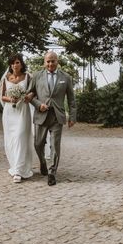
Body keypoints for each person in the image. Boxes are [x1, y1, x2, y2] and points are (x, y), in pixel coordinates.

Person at [28, 51, 77, 186]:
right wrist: (38, 105)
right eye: (48, 61)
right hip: (41, 115)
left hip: (57, 116)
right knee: (38, 144)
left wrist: (72, 116)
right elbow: (29, 95)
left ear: (57, 61)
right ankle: (43, 162)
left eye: (53, 61)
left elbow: (72, 99)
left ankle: (52, 173)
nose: (50, 64)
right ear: (44, 62)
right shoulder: (37, 76)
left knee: (55, 145)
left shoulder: (66, 77)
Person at [0, 53, 35, 183]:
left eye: (18, 62)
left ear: (22, 64)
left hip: (23, 111)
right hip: (9, 112)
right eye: (13, 63)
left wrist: (28, 97)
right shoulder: (6, 78)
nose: (15, 65)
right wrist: (11, 99)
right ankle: (14, 166)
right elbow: (2, 96)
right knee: (11, 140)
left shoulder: (27, 77)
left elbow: (33, 91)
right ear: (10, 65)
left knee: (21, 137)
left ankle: (19, 171)